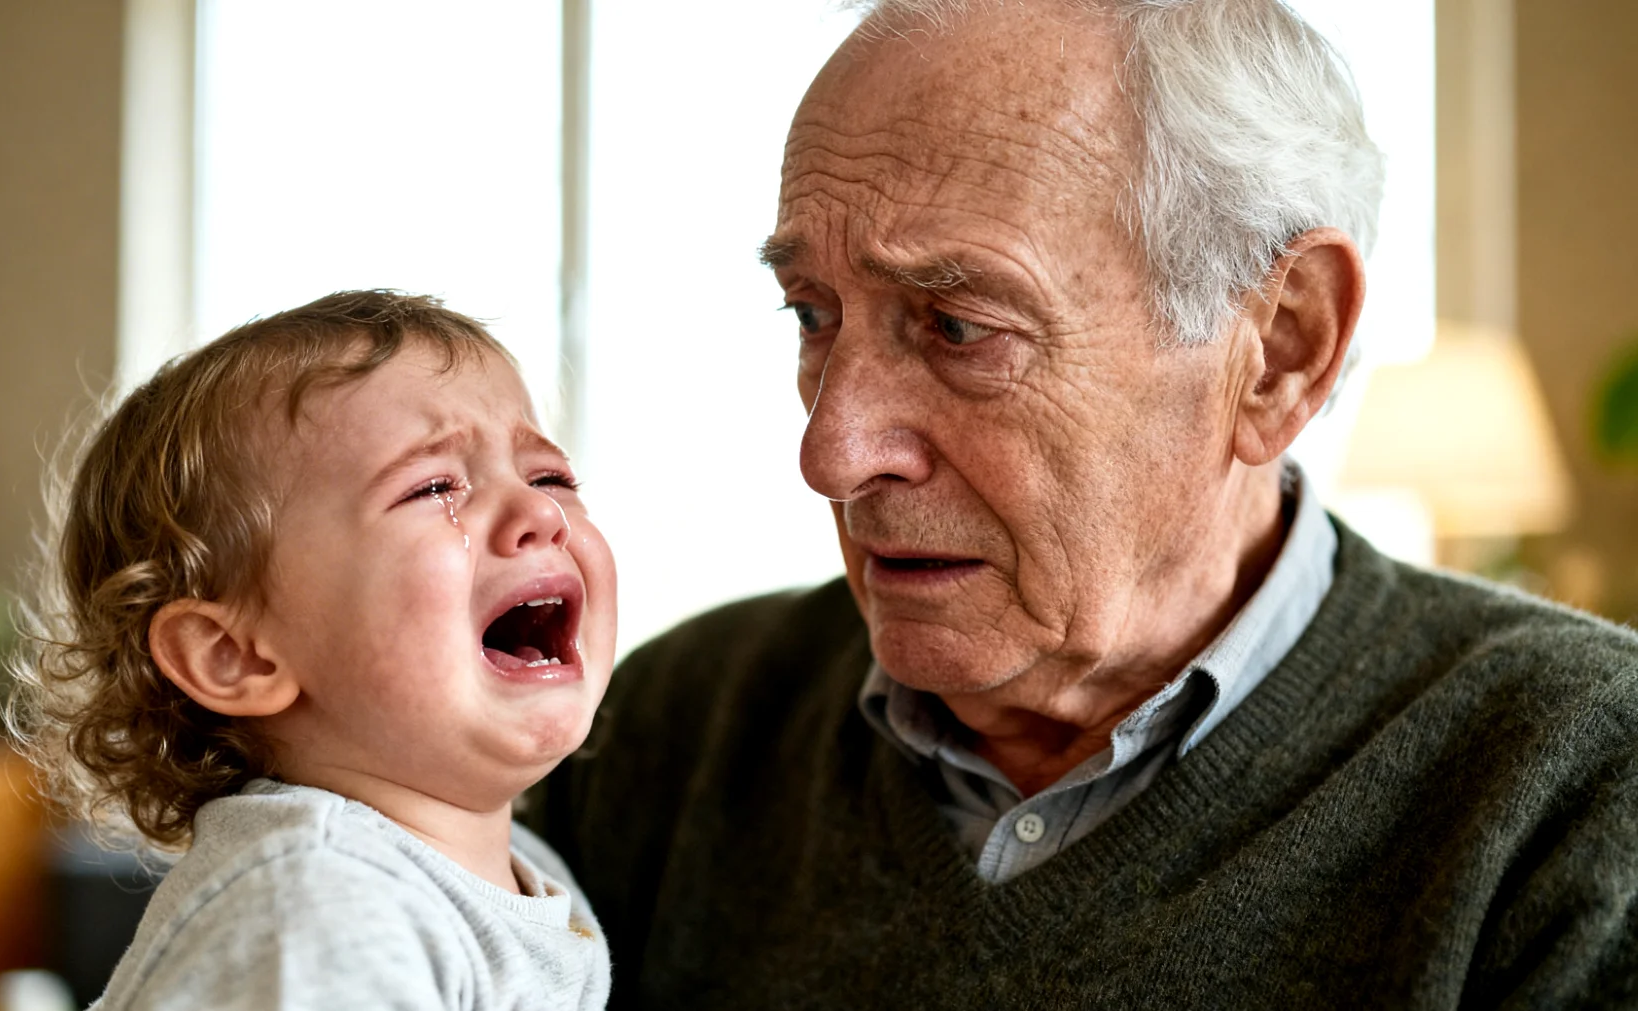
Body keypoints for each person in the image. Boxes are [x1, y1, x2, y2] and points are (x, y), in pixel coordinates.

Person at [524, 1, 1638, 1007]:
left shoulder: (1577, 784)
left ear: (1279, 349)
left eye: (960, 328)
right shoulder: (669, 732)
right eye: (813, 316)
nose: (833, 453)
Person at [7, 290, 617, 1010]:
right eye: (433, 487)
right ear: (234, 655)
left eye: (550, 477)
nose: (541, 511)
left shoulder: (521, 866)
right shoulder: (321, 905)